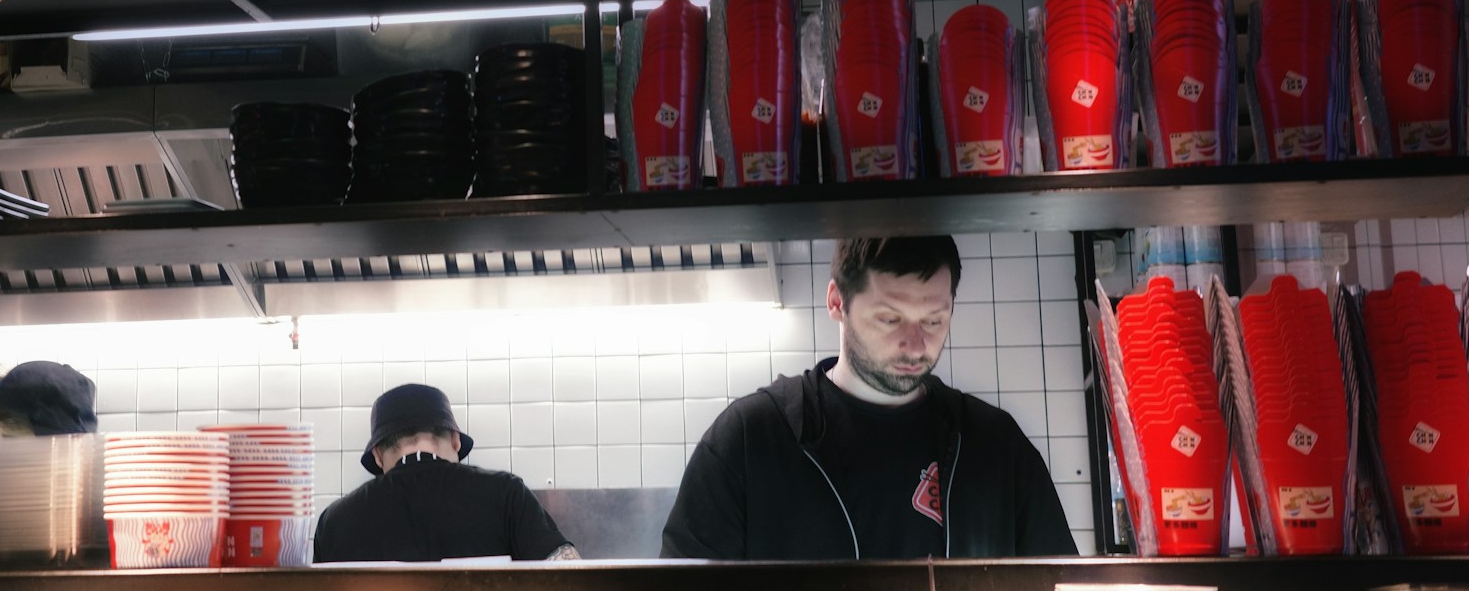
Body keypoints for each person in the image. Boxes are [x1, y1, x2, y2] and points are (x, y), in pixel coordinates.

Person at [662, 235, 1077, 559]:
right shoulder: (751, 440)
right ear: (837, 302)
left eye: (934, 320)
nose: (915, 344)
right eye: (889, 318)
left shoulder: (995, 445)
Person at [313, 383, 580, 563]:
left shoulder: (335, 521)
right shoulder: (506, 493)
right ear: (455, 441)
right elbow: (569, 573)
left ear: (377, 455)